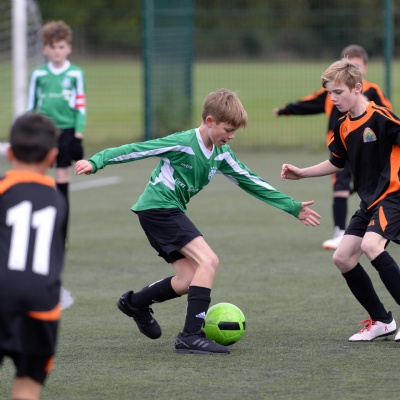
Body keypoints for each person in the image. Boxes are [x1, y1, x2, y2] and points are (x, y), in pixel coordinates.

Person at [75, 88, 321, 354]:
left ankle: (134, 303)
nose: (231, 136)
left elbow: (250, 180)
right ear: (210, 121)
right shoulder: (183, 142)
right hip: (158, 207)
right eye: (228, 129)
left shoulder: (221, 153)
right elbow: (136, 150)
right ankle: (190, 336)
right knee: (209, 260)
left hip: (167, 211)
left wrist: (291, 206)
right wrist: (96, 161)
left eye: (234, 131)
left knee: (188, 279)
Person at [281, 58, 400, 342]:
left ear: (357, 88)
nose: (333, 98)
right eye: (329, 93)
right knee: (343, 258)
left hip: (393, 196)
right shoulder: (343, 126)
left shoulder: (381, 117)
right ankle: (382, 321)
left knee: (371, 245)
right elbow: (337, 162)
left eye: (338, 92)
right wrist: (302, 173)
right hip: (369, 202)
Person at [274, 44, 392, 250]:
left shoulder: (374, 98)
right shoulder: (338, 112)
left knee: (375, 197)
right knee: (341, 187)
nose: (334, 97)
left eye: (357, 66)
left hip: (375, 160)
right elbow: (309, 103)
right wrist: (286, 110)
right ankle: (339, 231)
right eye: (331, 93)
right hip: (343, 149)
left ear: (364, 70)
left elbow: (388, 116)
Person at [0, 113, 68, 400]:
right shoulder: (57, 199)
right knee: (27, 388)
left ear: (10, 153)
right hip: (42, 305)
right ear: (52, 156)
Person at [27, 20, 87, 242]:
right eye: (52, 47)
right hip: (44, 131)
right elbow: (31, 106)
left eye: (61, 46)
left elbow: (80, 105)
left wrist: (78, 135)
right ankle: (37, 230)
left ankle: (61, 235)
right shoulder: (39, 74)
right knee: (37, 177)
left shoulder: (76, 73)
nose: (57, 51)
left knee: (62, 179)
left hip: (67, 132)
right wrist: (29, 130)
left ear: (68, 48)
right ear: (45, 49)